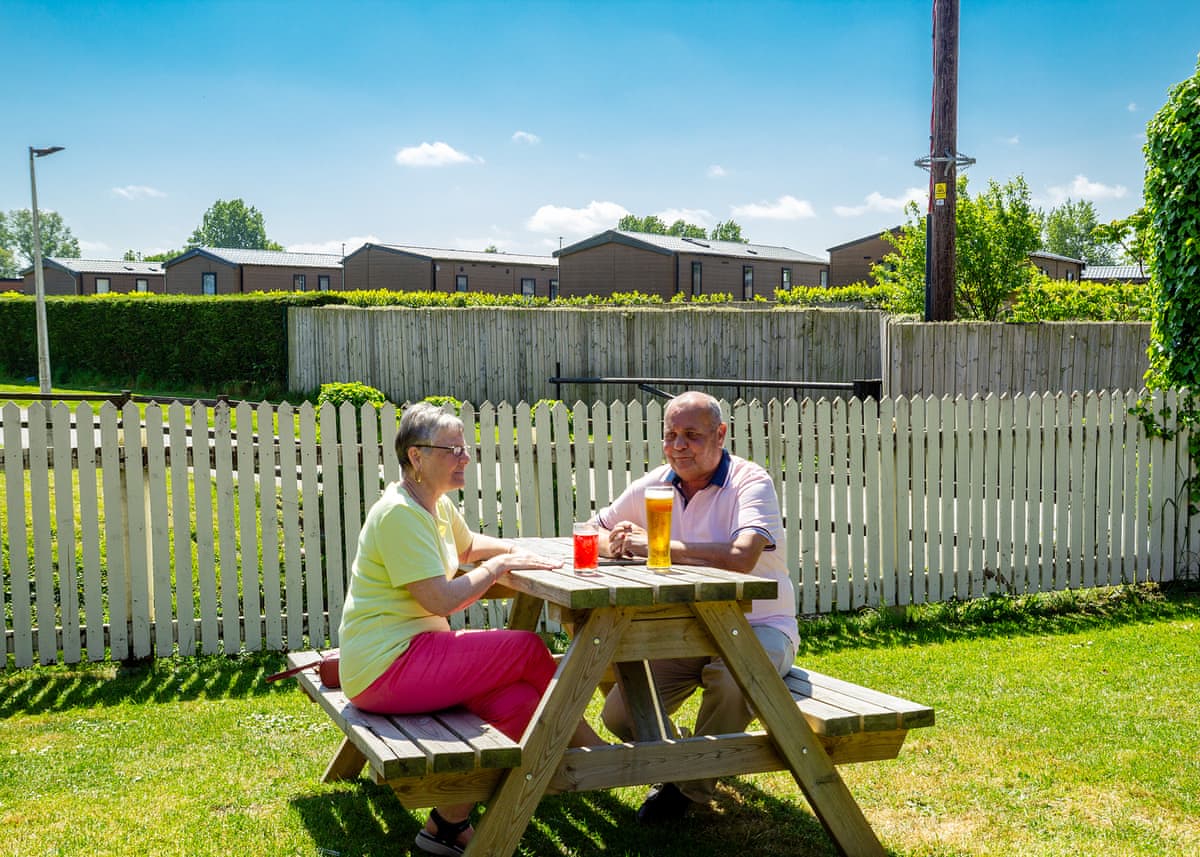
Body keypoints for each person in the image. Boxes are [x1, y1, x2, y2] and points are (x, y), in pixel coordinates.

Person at [337, 402, 602, 856]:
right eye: (453, 450)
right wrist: (500, 567)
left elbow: (469, 545)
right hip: (386, 666)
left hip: (413, 657)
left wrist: (517, 551)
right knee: (526, 649)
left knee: (520, 703)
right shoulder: (399, 513)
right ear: (416, 456)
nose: (465, 457)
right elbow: (441, 600)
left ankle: (445, 825)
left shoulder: (433, 505)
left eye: (465, 448)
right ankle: (593, 754)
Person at [595, 391, 799, 824]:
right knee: (619, 713)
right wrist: (615, 542)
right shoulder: (656, 483)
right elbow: (593, 530)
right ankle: (684, 762)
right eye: (670, 435)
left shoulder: (750, 481)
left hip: (763, 626)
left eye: (691, 435)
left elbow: (742, 556)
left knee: (732, 679)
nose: (678, 446)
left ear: (720, 435)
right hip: (691, 631)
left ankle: (684, 790)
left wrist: (656, 545)